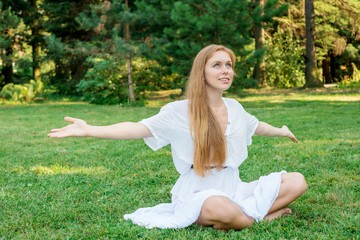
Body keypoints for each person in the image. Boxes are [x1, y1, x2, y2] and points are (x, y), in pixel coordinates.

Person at [48, 44, 307, 230]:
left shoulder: (235, 107)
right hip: (199, 191)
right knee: (220, 208)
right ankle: (259, 218)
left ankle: (243, 216)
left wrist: (282, 130)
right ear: (202, 72)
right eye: (216, 65)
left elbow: (256, 126)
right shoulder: (178, 111)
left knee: (297, 182)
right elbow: (138, 128)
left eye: (228, 65)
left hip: (234, 186)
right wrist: (90, 129)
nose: (225, 70)